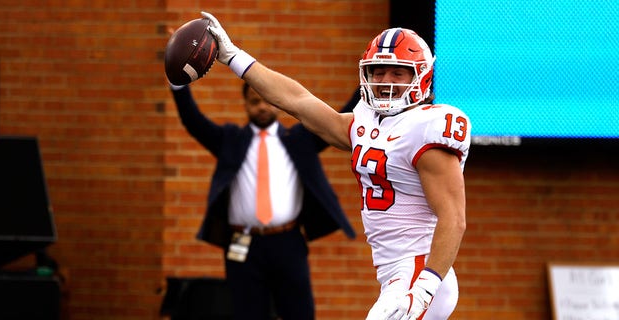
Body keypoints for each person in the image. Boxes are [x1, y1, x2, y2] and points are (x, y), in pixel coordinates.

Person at [200, 11, 471, 320]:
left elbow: (454, 217)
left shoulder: (427, 127)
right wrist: (234, 56)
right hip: (396, 272)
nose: (386, 82)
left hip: (419, 271)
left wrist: (424, 288)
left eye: (398, 72)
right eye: (378, 71)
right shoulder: (366, 124)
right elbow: (297, 100)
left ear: (420, 76)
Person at [168, 79, 358, 320]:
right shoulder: (231, 140)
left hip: (288, 242)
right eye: (254, 101)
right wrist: (178, 85)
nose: (262, 107)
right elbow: (193, 121)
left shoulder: (299, 139)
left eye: (267, 101)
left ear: (278, 104)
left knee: (299, 313)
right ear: (246, 105)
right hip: (243, 245)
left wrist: (366, 82)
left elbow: (340, 118)